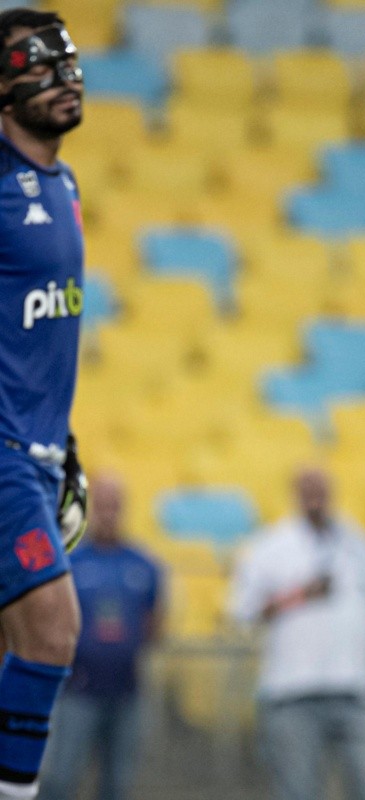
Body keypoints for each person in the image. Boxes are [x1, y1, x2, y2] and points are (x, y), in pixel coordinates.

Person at [0, 8, 89, 800]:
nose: (64, 80)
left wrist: (60, 443)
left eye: (68, 64)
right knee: (53, 630)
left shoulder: (61, 185)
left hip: (34, 449)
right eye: (39, 65)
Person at [228, 466, 365, 800]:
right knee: (299, 791)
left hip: (354, 691)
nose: (314, 496)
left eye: (320, 488)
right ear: (295, 493)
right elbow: (243, 614)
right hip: (293, 695)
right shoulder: (270, 546)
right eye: (307, 488)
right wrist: (298, 596)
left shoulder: (361, 546)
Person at [38, 472, 163, 800]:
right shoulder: (70, 561)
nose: (109, 514)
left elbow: (154, 621)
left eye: (115, 506)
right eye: (103, 506)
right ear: (92, 507)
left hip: (126, 693)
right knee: (61, 778)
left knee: (117, 783)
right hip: (76, 691)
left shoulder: (144, 564)